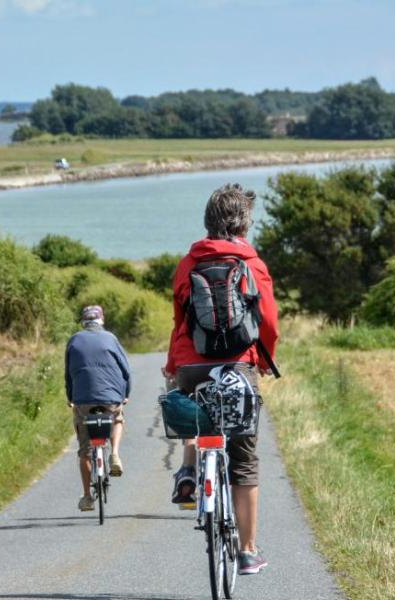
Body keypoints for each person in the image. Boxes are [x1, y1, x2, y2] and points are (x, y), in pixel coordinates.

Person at [163, 183, 279, 575]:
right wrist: (264, 361)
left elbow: (181, 321)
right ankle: (247, 550)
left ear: (208, 222)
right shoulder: (254, 264)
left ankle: (191, 471)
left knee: (196, 417)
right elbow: (268, 323)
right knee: (243, 459)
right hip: (238, 367)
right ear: (244, 223)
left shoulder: (188, 263)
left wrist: (174, 366)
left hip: (192, 366)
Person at [64, 305, 131, 512]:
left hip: (82, 400)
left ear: (83, 322)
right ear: (101, 320)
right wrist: (125, 395)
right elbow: (126, 371)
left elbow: (68, 374)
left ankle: (86, 497)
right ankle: (115, 454)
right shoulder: (111, 338)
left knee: (84, 451)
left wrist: (71, 397)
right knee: (117, 418)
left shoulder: (74, 340)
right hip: (111, 397)